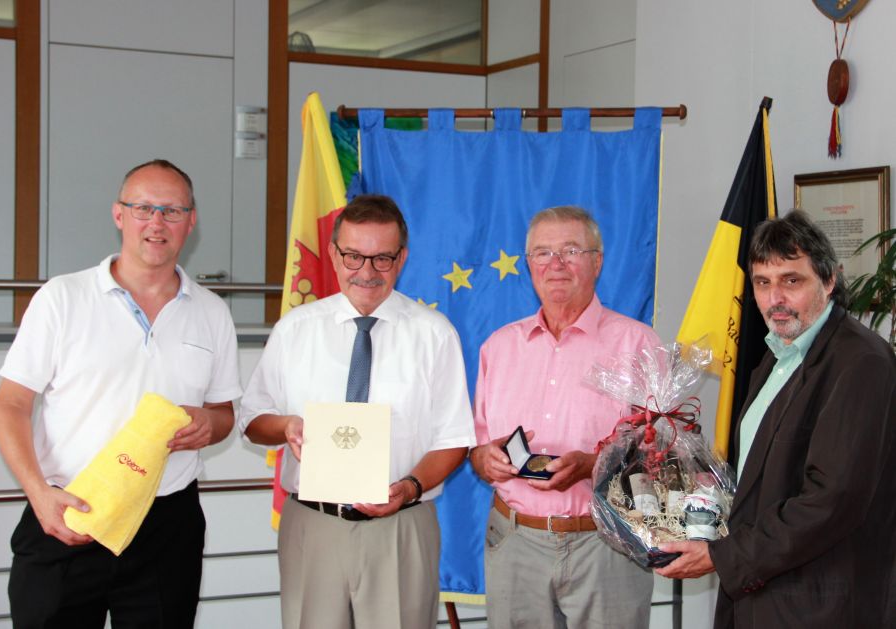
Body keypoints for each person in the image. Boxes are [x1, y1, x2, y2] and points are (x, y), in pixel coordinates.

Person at [0, 159, 242, 628]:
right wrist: (39, 495)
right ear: (118, 214)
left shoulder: (212, 313)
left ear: (191, 222)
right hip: (68, 513)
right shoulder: (62, 297)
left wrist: (211, 424)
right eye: (143, 208)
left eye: (172, 211)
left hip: (167, 526)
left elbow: (224, 413)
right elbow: (10, 404)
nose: (156, 222)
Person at [237, 194, 475, 629]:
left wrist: (408, 487)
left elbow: (454, 439)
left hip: (401, 525)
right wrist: (286, 426)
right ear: (332, 253)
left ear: (402, 258)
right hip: (313, 524)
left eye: (382, 258)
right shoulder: (296, 329)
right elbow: (252, 420)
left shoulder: (435, 335)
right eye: (353, 256)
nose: (366, 272)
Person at [656, 210, 896, 628]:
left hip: (820, 603)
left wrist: (722, 556)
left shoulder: (861, 363)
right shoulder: (778, 355)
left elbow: (830, 501)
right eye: (763, 283)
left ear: (829, 280)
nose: (774, 299)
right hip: (764, 594)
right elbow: (764, 472)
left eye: (791, 280)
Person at [470, 205, 660, 629]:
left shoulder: (638, 344)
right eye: (542, 253)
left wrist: (595, 467)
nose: (555, 264)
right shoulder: (497, 348)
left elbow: (661, 459)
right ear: (528, 265)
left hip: (607, 543)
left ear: (597, 261)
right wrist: (486, 459)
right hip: (515, 542)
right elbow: (477, 452)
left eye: (571, 250)